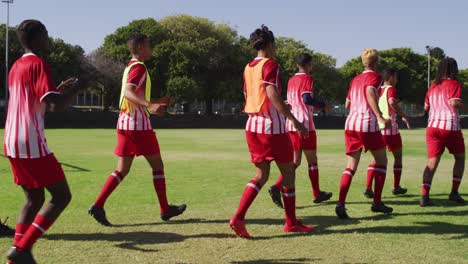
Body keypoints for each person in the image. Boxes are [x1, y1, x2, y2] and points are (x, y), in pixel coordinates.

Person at [88, 34, 186, 226]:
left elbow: (132, 96)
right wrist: (150, 105)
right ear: (140, 47)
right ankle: (165, 209)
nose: (151, 48)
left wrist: (156, 102)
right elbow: (129, 92)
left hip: (124, 123)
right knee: (158, 167)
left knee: (122, 170)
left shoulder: (130, 67)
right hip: (138, 126)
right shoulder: (139, 67)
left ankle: (98, 205)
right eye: (149, 45)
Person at [229, 25, 314, 238]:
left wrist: (277, 102)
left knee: (261, 175)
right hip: (272, 129)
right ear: (269, 44)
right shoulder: (271, 65)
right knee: (289, 173)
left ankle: (238, 218)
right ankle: (291, 222)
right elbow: (270, 92)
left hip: (252, 126)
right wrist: (294, 119)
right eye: (274, 45)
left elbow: (254, 95)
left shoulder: (248, 67)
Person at [4, 19, 78, 263]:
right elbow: (56, 106)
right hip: (31, 141)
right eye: (46, 33)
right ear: (36, 37)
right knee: (61, 196)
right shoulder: (39, 64)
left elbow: (36, 98)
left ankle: (17, 257)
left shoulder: (16, 66)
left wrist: (56, 88)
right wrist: (73, 91)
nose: (48, 38)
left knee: (34, 198)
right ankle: (23, 248)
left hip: (11, 140)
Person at [268, 53, 332, 208]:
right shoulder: (307, 79)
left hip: (291, 124)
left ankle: (276, 187)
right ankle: (316, 193)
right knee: (312, 161)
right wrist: (324, 105)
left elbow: (291, 101)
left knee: (295, 161)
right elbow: (306, 99)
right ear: (309, 64)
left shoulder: (291, 80)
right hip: (305, 124)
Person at [335, 48, 393, 219]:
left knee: (350, 166)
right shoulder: (375, 77)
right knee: (382, 161)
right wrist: (380, 117)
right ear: (376, 63)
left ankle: (341, 203)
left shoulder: (355, 80)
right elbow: (369, 92)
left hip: (351, 124)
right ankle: (377, 202)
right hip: (367, 124)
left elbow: (347, 104)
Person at [420, 57, 465, 206]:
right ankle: (453, 192)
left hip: (432, 127)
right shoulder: (454, 83)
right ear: (454, 69)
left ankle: (424, 197)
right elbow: (454, 103)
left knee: (432, 162)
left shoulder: (433, 85)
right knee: (459, 158)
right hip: (449, 126)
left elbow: (426, 107)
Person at [364, 69, 410, 198]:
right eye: (396, 77)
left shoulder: (377, 89)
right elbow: (392, 103)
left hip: (378, 128)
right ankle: (396, 187)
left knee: (376, 159)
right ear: (390, 77)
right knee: (398, 157)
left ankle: (368, 187)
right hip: (390, 128)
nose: (397, 80)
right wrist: (403, 115)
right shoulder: (391, 89)